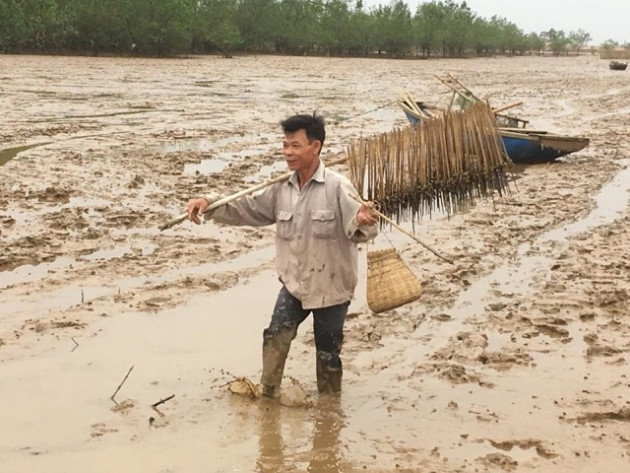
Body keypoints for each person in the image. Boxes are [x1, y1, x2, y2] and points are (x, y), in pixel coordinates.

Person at [187, 113, 378, 396]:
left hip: (332, 287)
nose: (288, 152)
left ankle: (329, 407)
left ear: (315, 147)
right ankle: (269, 394)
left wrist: (364, 219)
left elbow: (363, 230)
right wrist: (209, 203)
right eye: (285, 145)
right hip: (294, 284)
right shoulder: (281, 188)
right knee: (275, 335)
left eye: (295, 145)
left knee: (328, 352)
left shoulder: (338, 187)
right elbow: (247, 208)